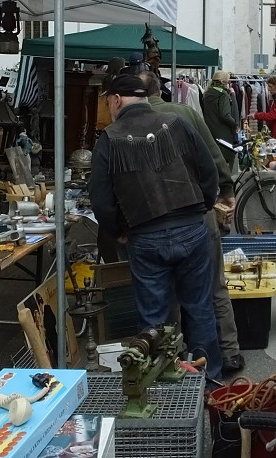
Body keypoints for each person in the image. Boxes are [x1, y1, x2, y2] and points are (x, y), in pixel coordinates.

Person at [86, 74, 223, 380]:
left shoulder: (109, 138)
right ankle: (210, 379)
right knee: (200, 309)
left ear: (117, 100)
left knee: (154, 319)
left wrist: (116, 230)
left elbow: (101, 199)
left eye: (108, 102)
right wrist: (203, 207)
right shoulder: (176, 123)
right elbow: (208, 170)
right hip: (191, 226)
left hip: (144, 236)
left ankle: (160, 383)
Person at [137, 71, 245, 374]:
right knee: (212, 287)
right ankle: (227, 354)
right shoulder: (183, 112)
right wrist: (224, 189)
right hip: (198, 211)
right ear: (162, 90)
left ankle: (171, 362)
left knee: (166, 294)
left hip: (152, 218)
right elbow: (212, 155)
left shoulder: (129, 123)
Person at [203, 71, 239, 171]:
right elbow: (225, 115)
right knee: (225, 167)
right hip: (224, 135)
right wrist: (235, 125)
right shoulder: (223, 95)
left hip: (211, 132)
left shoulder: (206, 94)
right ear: (224, 82)